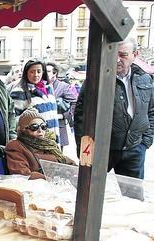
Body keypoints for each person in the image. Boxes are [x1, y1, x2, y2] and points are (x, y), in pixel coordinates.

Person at [74, 38, 154, 180]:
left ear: (135, 54)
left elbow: (151, 111)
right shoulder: (95, 80)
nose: (117, 60)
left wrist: (145, 142)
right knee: (90, 193)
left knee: (133, 196)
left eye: (123, 55)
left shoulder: (145, 79)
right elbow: (81, 116)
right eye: (114, 54)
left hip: (134, 149)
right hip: (101, 150)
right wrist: (84, 149)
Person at [6, 109, 76, 179]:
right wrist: (50, 179)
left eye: (43, 126)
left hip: (58, 184)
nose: (40, 131)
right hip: (35, 187)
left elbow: (68, 163)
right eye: (34, 127)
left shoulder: (49, 144)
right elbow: (23, 174)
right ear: (23, 129)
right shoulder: (15, 146)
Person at [10, 59, 61, 144]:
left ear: (43, 72)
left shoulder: (49, 88)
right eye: (32, 72)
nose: (36, 75)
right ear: (26, 73)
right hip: (33, 143)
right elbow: (14, 120)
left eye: (39, 71)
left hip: (54, 141)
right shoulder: (19, 91)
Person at [46, 62, 78, 149]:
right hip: (44, 129)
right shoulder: (41, 86)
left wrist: (64, 115)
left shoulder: (63, 86)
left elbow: (75, 102)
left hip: (59, 128)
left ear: (55, 73)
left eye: (48, 71)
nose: (45, 73)